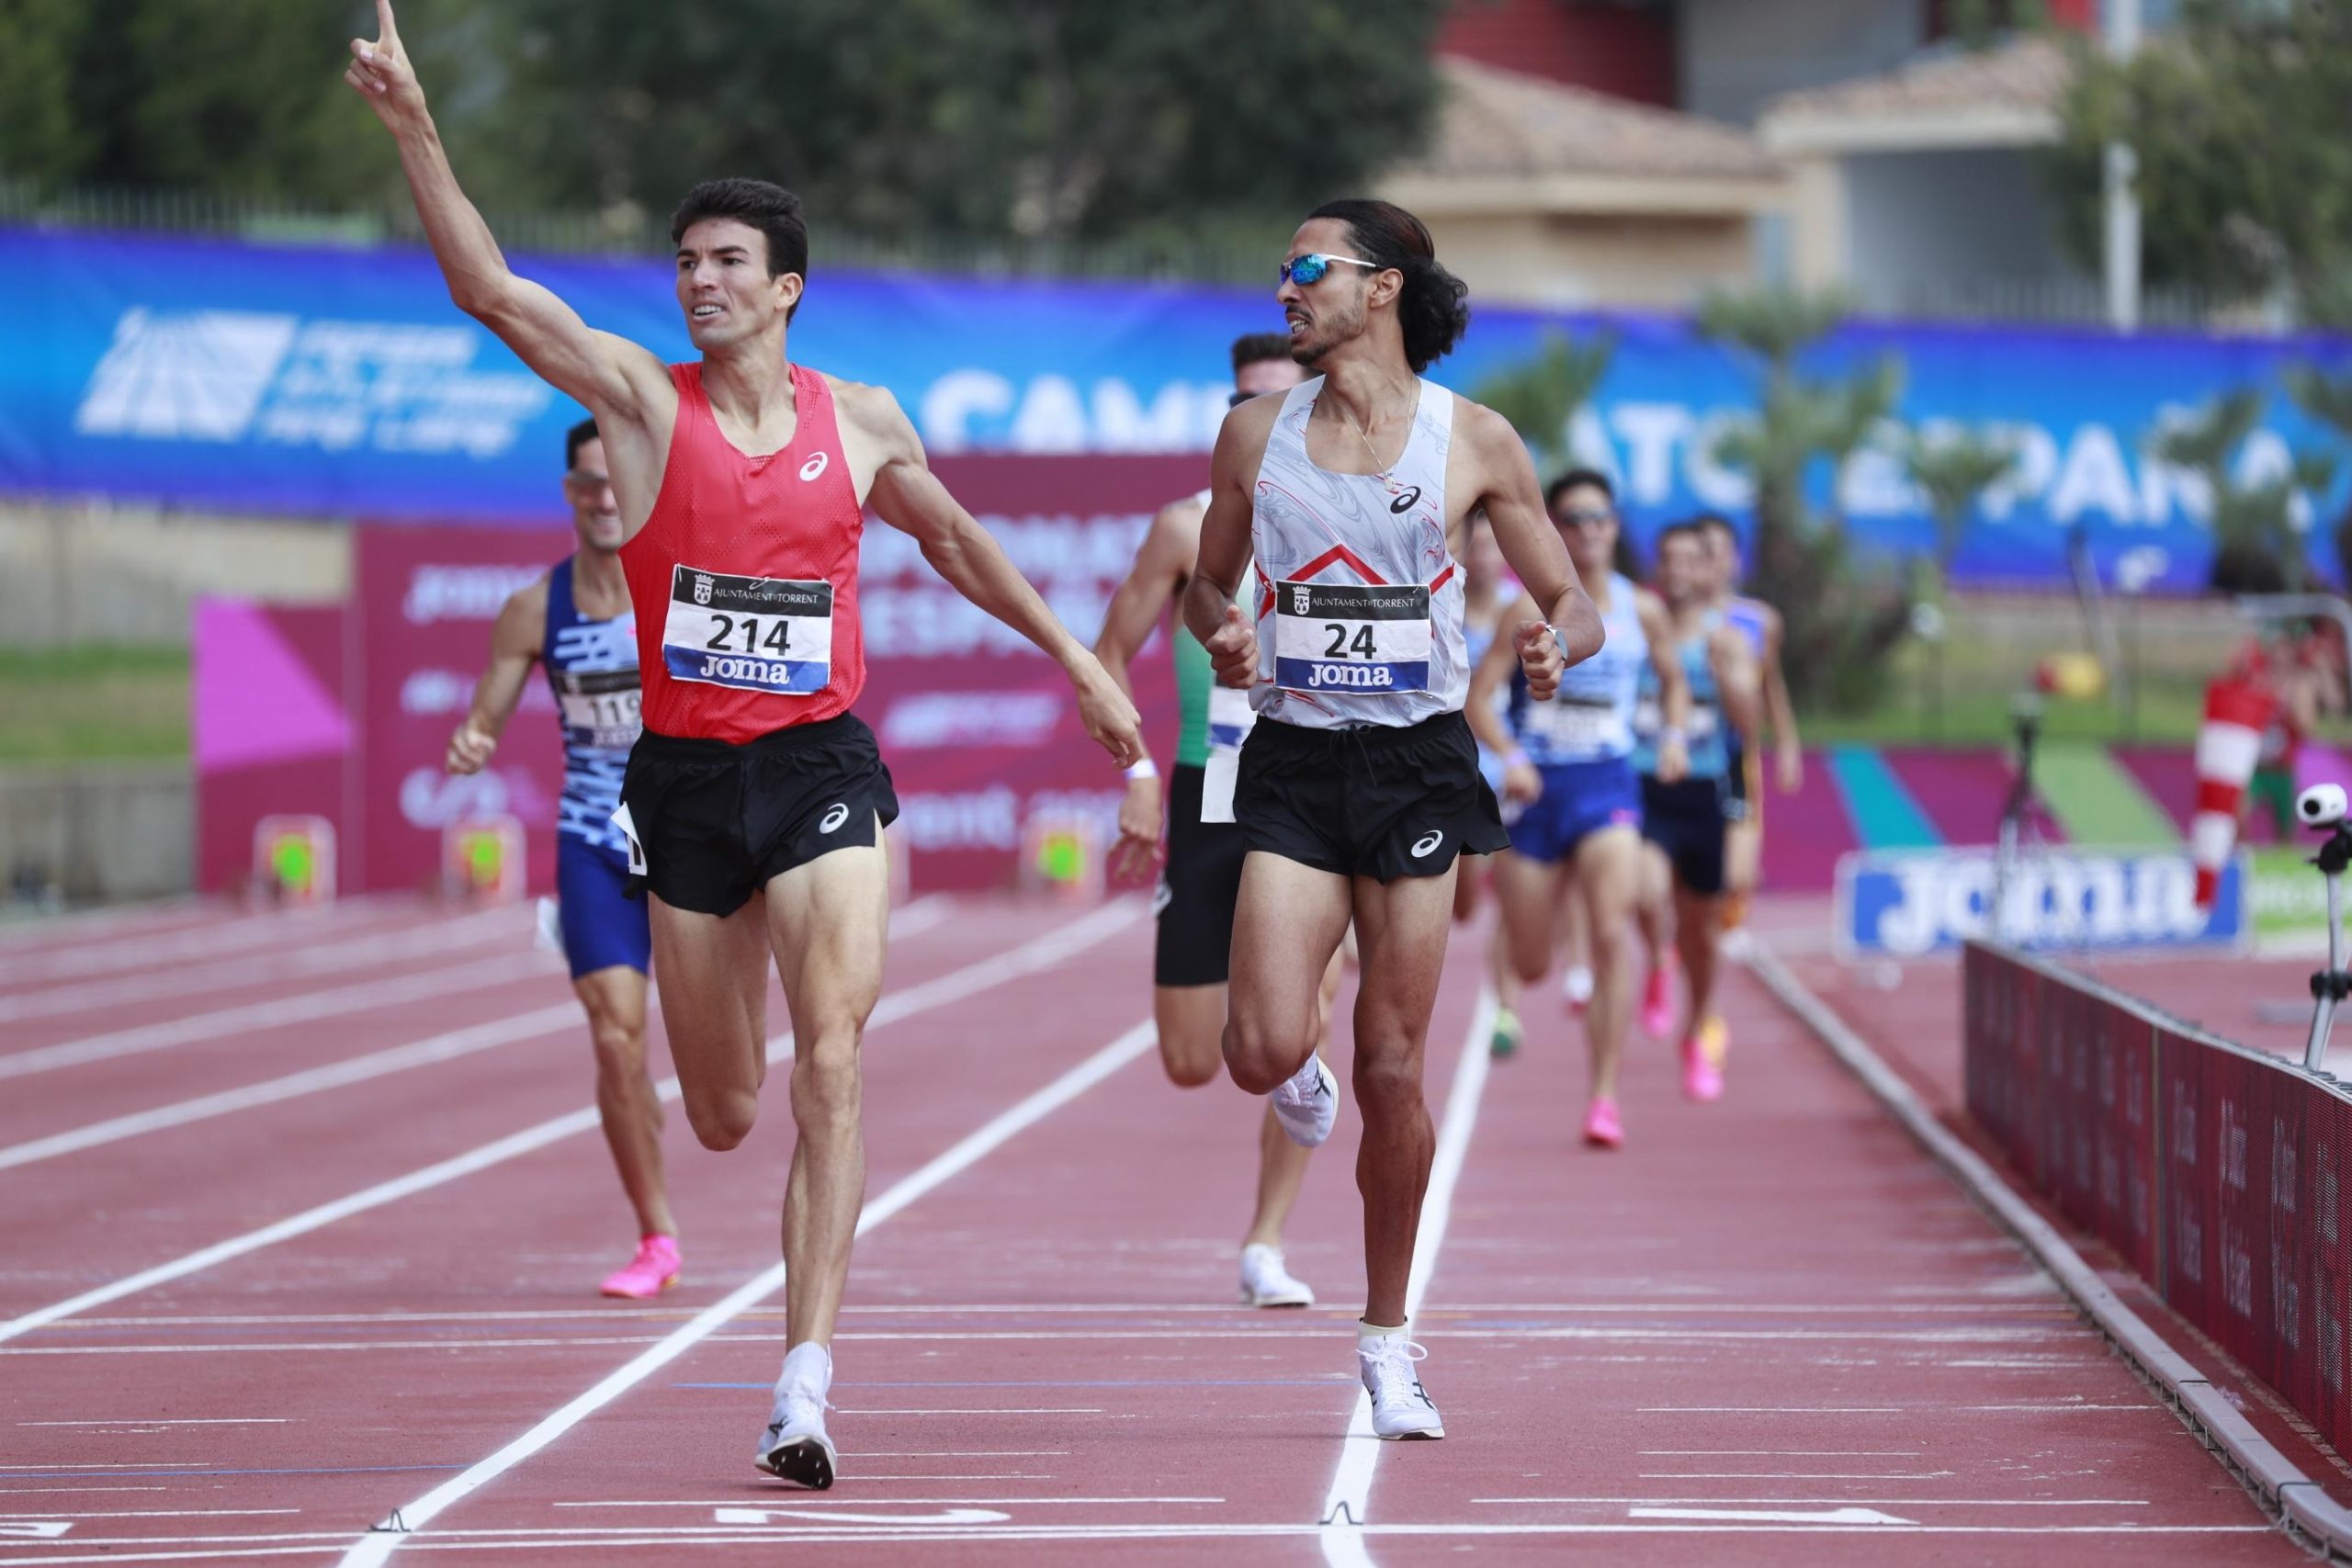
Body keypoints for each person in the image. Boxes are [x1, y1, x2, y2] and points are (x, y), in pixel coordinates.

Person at [346, 2, 1142, 1493]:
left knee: (834, 1060)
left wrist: (1081, 661)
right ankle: (739, 1138)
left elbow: (961, 546)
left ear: (787, 290)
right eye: (685, 262)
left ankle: (804, 1379)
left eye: (725, 265)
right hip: (686, 782)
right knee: (722, 1110)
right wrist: (415, 128)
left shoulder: (866, 424)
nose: (697, 284)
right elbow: (490, 293)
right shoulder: (643, 406)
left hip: (826, 764)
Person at [1181, 198, 1601, 1441]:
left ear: (1383, 287)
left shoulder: (1474, 440)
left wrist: (1549, 641)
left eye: (1306, 267)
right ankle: (1291, 1082)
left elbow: (1573, 600)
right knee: (1257, 1045)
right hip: (1298, 762)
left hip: (1419, 766)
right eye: (1282, 266)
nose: (1285, 288)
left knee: (1394, 1059)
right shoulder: (1258, 435)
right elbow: (1209, 578)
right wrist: (1225, 626)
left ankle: (1387, 1336)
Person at [1095, 333, 1330, 1312]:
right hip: (1209, 791)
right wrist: (1140, 769)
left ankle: (1266, 1240)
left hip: (1315, 795)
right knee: (1196, 1058)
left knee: (1291, 1029)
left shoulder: (1352, 520)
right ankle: (1288, 1052)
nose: (1259, 419)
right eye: (1245, 402)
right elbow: (1105, 653)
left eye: (1281, 402)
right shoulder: (1186, 528)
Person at [446, 417, 677, 1299]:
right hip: (594, 839)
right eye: (588, 482)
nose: (606, 496)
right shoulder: (535, 609)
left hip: (690, 838)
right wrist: (473, 738)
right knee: (617, 1039)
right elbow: (486, 714)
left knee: (721, 1078)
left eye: (617, 477)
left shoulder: (679, 585)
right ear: (570, 495)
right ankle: (656, 1234)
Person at [1467, 471, 1687, 1147]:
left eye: (1601, 517)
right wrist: (1512, 757)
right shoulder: (1524, 608)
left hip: (1607, 785)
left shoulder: (1639, 608)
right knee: (1531, 961)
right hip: (1538, 792)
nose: (1589, 530)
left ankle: (1604, 1096)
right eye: (1575, 518)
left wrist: (1673, 735)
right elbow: (1478, 701)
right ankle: (1540, 972)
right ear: (1554, 530)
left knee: (1610, 928)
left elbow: (1674, 682)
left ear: (1616, 527)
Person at [1628, 522, 1758, 1102]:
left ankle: (1698, 1025)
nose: (1679, 571)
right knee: (1647, 893)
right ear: (1659, 568)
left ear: (1707, 570)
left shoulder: (1726, 637)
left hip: (1704, 788)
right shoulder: (1639, 628)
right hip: (1646, 781)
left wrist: (1728, 675)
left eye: (1691, 561)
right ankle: (1657, 961)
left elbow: (1750, 727)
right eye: (1670, 560)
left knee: (1703, 928)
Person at [1695, 515, 1800, 954]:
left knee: (1739, 869)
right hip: (1691, 750)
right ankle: (1693, 930)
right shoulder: (1673, 617)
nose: (1708, 561)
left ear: (1734, 560)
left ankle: (1729, 919)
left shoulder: (1760, 621)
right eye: (1700, 551)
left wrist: (1789, 744)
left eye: (1716, 551)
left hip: (1738, 753)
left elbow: (1770, 683)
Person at [1451, 513, 1527, 1059]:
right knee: (1465, 906)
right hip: (1452, 767)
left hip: (1509, 766)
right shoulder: (1440, 601)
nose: (1482, 558)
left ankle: (1505, 1008)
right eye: (1473, 547)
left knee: (1508, 898)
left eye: (1491, 547)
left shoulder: (1520, 611)